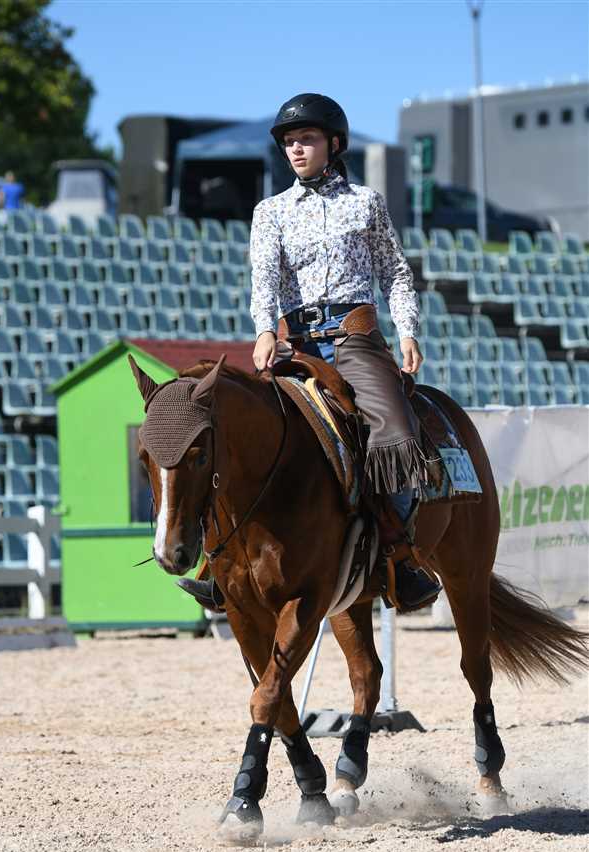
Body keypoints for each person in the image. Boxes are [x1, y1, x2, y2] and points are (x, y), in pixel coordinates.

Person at [181, 93, 440, 612]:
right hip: (292, 342)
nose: (296, 149)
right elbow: (263, 281)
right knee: (237, 433)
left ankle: (400, 553)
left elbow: (395, 273)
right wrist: (263, 331)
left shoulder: (365, 203)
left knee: (395, 428)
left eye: (307, 139)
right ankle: (217, 561)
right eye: (289, 142)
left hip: (353, 338)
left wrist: (408, 331)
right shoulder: (270, 211)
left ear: (334, 144)